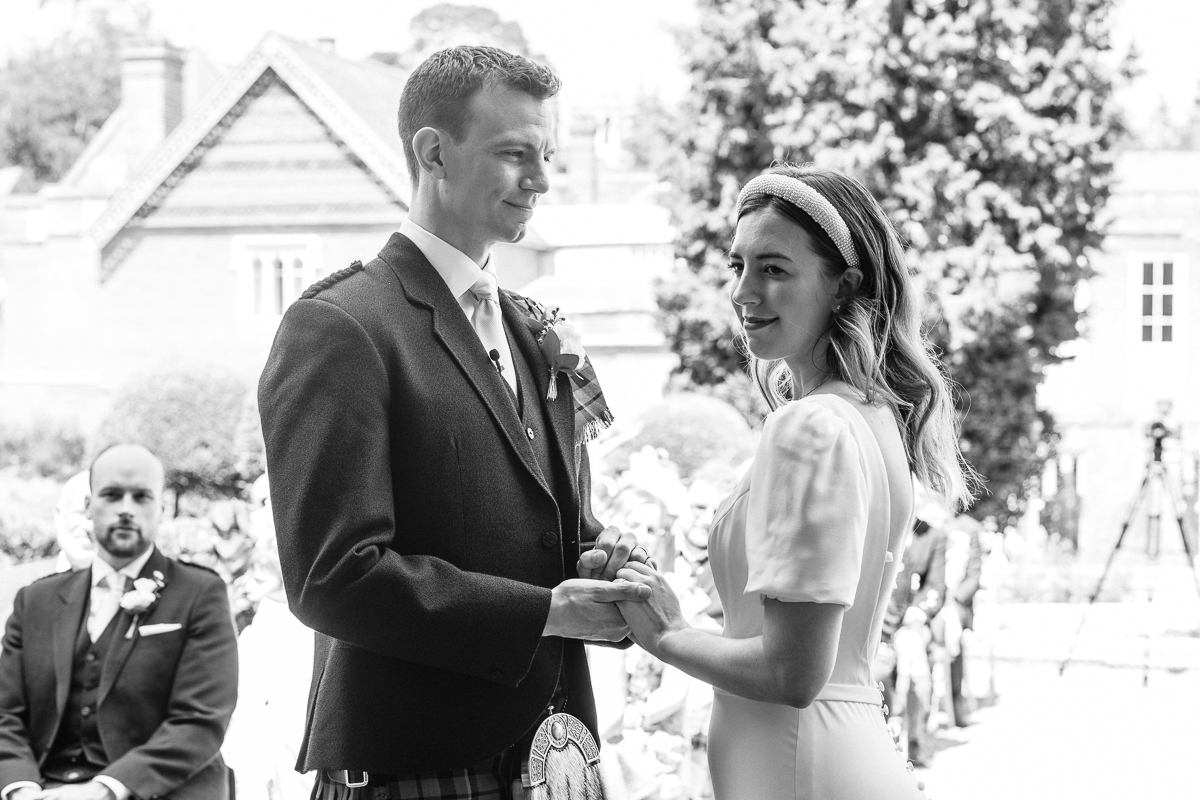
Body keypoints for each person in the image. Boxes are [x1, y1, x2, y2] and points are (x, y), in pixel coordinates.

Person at [258, 45, 650, 799]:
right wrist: (546, 613)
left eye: (546, 156)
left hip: (555, 756)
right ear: (434, 152)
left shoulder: (534, 327)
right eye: (514, 154)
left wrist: (601, 564)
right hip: (417, 764)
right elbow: (331, 577)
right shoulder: (342, 326)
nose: (540, 180)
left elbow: (548, 531)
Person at [610, 163, 977, 800]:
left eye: (774, 269)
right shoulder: (870, 417)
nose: (743, 292)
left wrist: (668, 633)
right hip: (829, 754)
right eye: (738, 266)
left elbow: (791, 672)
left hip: (802, 767)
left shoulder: (810, 426)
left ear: (843, 286)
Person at [0, 443, 239, 800]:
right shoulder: (35, 601)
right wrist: (21, 788)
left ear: (161, 509)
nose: (126, 509)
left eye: (141, 497)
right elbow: (5, 714)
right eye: (112, 495)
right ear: (88, 506)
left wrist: (104, 789)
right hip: (43, 786)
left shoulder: (201, 594)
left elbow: (200, 719)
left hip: (157, 791)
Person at [881, 517, 948, 767]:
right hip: (879, 623)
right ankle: (884, 736)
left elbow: (935, 585)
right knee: (879, 668)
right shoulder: (879, 519)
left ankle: (915, 738)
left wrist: (918, 612)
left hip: (913, 621)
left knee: (913, 651)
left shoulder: (933, 536)